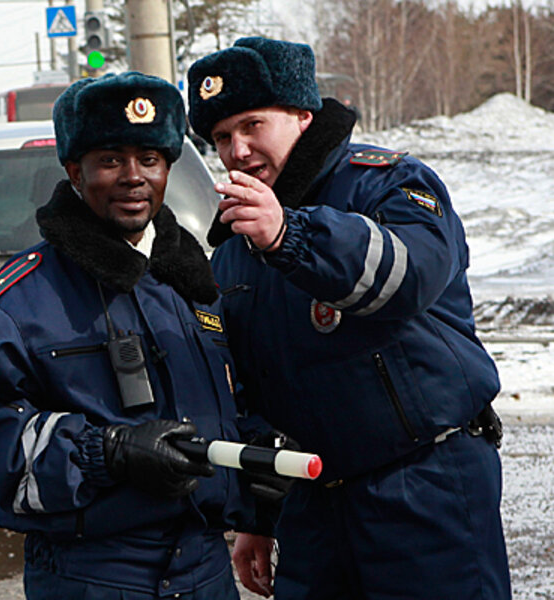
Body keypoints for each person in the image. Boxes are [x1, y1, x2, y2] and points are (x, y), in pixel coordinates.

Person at [187, 37, 511, 599]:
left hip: (424, 480)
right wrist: (257, 516)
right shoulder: (238, 244)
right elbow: (254, 392)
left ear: (302, 116)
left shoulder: (385, 183)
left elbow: (410, 278)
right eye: (221, 137)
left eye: (252, 126)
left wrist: (290, 236)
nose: (237, 150)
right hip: (313, 497)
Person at [0, 72, 264, 599]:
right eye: (110, 160)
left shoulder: (196, 287)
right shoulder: (17, 304)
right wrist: (106, 451)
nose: (133, 177)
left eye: (150, 160)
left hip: (205, 571)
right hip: (92, 576)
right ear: (75, 172)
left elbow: (235, 406)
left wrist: (256, 467)